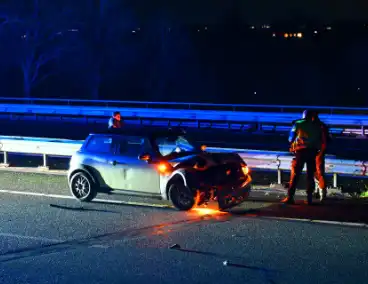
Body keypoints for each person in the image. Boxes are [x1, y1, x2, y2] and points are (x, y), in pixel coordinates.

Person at [282, 110, 323, 205]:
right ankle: (309, 199)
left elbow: (290, 138)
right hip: (312, 152)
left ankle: (290, 197)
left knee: (295, 174)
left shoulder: (298, 124)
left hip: (300, 152)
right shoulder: (316, 126)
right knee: (310, 175)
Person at [312, 111, 331, 203]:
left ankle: (322, 194)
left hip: (317, 151)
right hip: (315, 150)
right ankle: (318, 192)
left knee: (318, 172)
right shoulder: (320, 125)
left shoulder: (318, 126)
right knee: (315, 172)